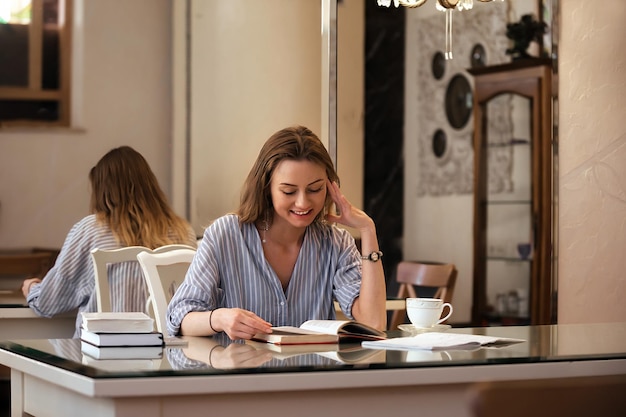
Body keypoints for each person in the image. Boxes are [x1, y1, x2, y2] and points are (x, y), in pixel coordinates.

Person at [167, 125, 386, 340]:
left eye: (315, 189)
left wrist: (368, 230)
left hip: (312, 376)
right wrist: (219, 318)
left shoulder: (336, 244)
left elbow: (373, 324)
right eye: (289, 191)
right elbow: (179, 318)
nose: (303, 202)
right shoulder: (225, 235)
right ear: (266, 187)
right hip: (240, 374)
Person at [22, 146, 197, 336]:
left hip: (100, 356)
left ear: (103, 191)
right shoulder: (184, 231)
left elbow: (49, 302)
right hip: (167, 354)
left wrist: (31, 287)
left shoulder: (90, 230)